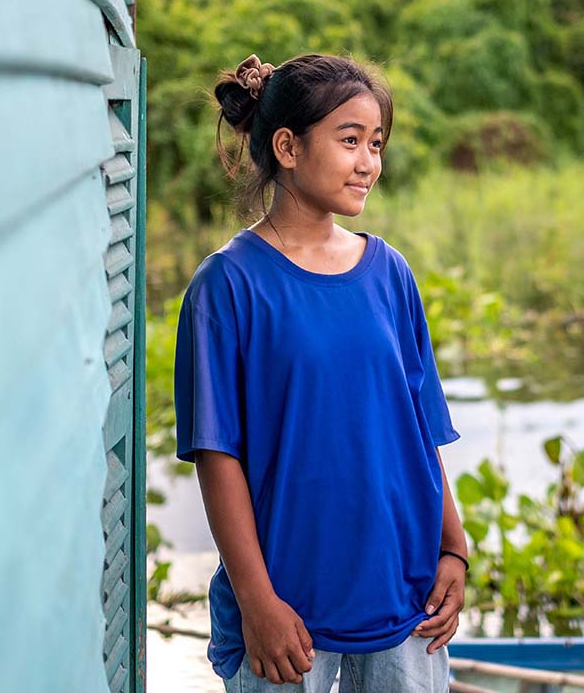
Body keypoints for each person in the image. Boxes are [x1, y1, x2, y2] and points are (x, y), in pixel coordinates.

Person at [173, 52, 468, 692]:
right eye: (350, 140)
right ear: (287, 146)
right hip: (287, 611)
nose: (369, 162)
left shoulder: (390, 273)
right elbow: (216, 456)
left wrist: (453, 545)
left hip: (403, 595)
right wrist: (257, 602)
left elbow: (418, 424)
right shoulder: (227, 286)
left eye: (377, 144)